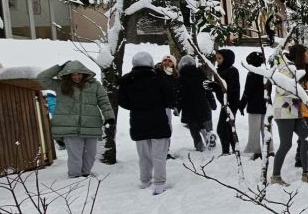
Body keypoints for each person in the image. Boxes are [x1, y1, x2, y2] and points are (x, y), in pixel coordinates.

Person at [36, 60, 115, 178]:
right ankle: (75, 177)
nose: (76, 77)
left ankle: (86, 174)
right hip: (69, 127)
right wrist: (60, 67)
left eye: (79, 74)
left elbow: (104, 101)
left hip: (91, 125)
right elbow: (42, 78)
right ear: (68, 75)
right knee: (75, 155)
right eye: (73, 74)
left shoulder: (95, 85)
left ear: (84, 73)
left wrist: (109, 117)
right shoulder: (60, 85)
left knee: (90, 154)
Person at [118, 51, 176, 195]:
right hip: (158, 120)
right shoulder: (159, 79)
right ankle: (159, 183)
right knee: (159, 155)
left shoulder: (127, 81)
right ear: (150, 63)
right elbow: (170, 99)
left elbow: (123, 102)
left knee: (143, 155)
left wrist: (137, 106)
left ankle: (145, 181)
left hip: (138, 121)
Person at [271, 44, 308, 185]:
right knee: (286, 144)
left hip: (296, 111)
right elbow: (282, 90)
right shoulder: (287, 69)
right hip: (284, 112)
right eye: (306, 53)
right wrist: (301, 92)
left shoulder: (298, 69)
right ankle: (275, 176)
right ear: (300, 54)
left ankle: (307, 173)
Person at [177, 55, 216, 152]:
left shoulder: (180, 78)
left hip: (189, 108)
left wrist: (178, 107)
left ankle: (199, 145)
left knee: (194, 130)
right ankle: (209, 136)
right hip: (203, 105)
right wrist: (212, 102)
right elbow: (208, 90)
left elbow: (180, 96)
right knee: (205, 125)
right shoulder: (201, 75)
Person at [212, 48, 241, 155]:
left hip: (231, 103)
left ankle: (228, 151)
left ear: (227, 59)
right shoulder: (219, 70)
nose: (217, 60)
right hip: (224, 103)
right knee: (228, 127)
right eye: (216, 58)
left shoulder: (232, 70)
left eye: (220, 58)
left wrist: (215, 86)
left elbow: (230, 89)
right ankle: (233, 150)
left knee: (223, 128)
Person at [240, 51, 268, 160]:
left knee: (254, 130)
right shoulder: (266, 73)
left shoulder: (252, 74)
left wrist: (242, 104)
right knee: (266, 129)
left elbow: (247, 91)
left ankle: (255, 151)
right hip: (266, 105)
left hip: (254, 106)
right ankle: (269, 149)